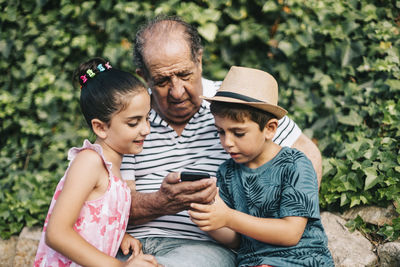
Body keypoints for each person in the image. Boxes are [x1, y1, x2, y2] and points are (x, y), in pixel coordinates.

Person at [119, 16, 322, 266]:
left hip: (199, 248)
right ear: (144, 76)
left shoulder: (232, 104)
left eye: (184, 75)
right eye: (162, 81)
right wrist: (161, 203)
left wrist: (288, 222)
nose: (177, 91)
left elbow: (305, 152)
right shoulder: (127, 117)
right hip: (128, 242)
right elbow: (105, 198)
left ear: (199, 61)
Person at [189, 66, 334, 267]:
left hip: (299, 260)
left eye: (238, 133)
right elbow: (236, 240)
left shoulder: (295, 164)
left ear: (270, 129)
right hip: (253, 262)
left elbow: (291, 233)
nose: (227, 142)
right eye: (221, 132)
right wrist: (211, 220)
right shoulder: (227, 172)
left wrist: (229, 217)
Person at [34, 58, 161, 267]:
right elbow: (56, 233)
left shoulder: (114, 171)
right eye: (134, 122)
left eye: (147, 118)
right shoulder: (90, 162)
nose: (146, 129)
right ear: (100, 127)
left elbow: (92, 218)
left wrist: (119, 235)